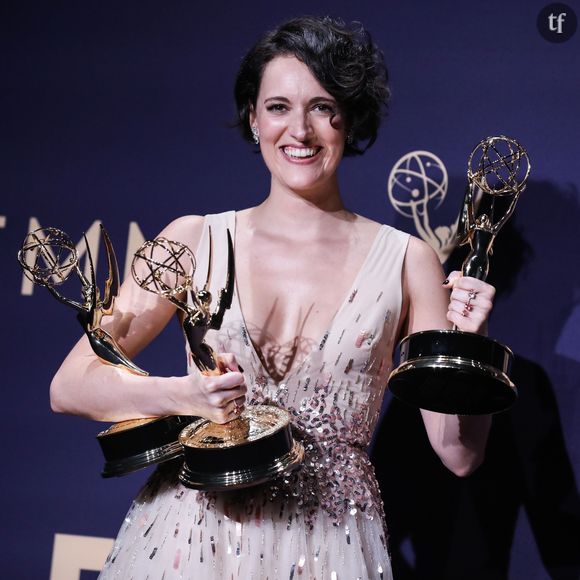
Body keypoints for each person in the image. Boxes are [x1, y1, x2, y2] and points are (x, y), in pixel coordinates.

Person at [50, 16, 495, 579]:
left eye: (323, 106)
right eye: (280, 107)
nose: (301, 131)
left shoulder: (408, 261)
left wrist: (465, 351)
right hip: (190, 537)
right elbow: (69, 386)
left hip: (330, 543)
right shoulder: (193, 239)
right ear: (253, 118)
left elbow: (459, 453)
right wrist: (183, 395)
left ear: (350, 120)